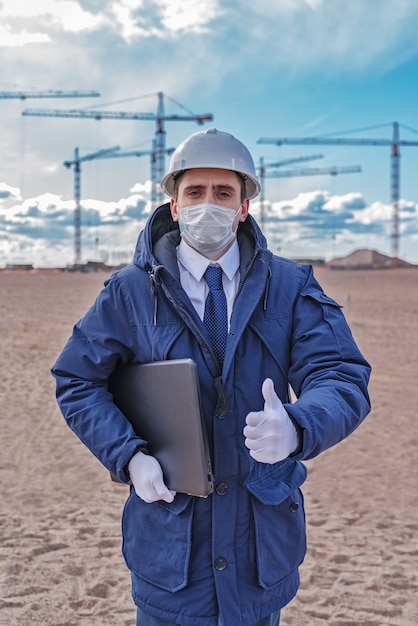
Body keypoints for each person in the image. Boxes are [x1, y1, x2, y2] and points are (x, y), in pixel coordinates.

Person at [52, 128, 371, 626]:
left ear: (244, 206)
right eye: (194, 193)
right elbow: (78, 380)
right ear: (174, 206)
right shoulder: (130, 292)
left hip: (259, 550)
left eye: (224, 193)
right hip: (170, 549)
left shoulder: (290, 286)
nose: (209, 205)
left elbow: (341, 374)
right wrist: (129, 456)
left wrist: (297, 424)